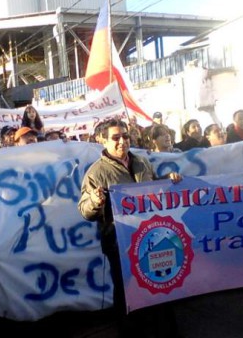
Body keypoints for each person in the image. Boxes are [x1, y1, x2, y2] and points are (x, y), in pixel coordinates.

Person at [77, 118, 181, 337]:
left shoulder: (142, 162)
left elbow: (151, 188)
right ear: (101, 140)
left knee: (158, 287)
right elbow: (85, 211)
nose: (122, 141)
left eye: (125, 136)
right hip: (119, 244)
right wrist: (95, 201)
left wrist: (168, 180)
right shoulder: (96, 173)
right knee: (127, 295)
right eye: (116, 138)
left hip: (150, 238)